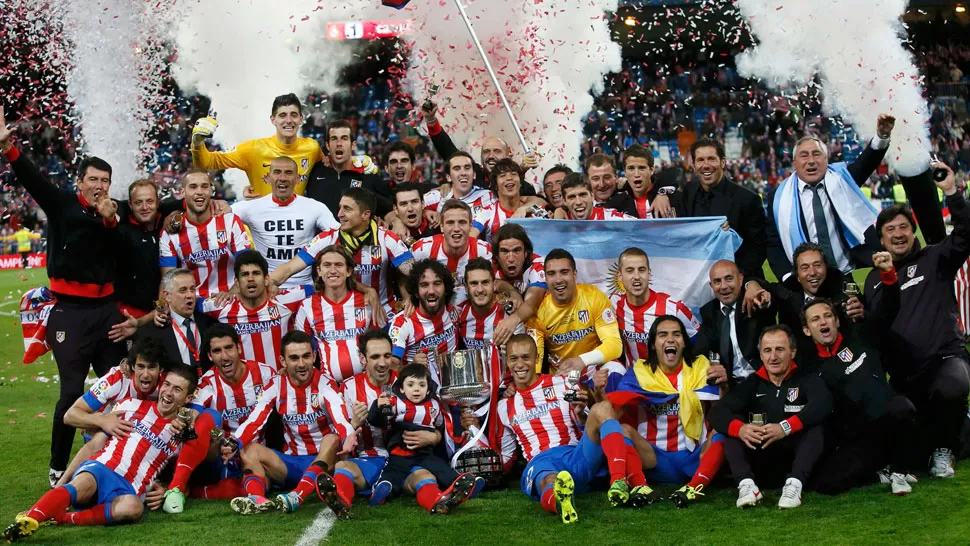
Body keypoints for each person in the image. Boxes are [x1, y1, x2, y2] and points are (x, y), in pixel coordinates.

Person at [0, 109, 129, 487]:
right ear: (80, 181)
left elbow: (122, 251)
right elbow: (32, 180)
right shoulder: (61, 205)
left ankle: (120, 456)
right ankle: (58, 467)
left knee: (119, 386)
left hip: (107, 313)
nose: (99, 186)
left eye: (105, 180)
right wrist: (8, 148)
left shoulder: (113, 215)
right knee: (72, 391)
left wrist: (110, 220)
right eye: (93, 179)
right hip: (69, 313)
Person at [2, 365, 198, 542]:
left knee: (134, 509)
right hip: (103, 467)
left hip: (130, 488)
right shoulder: (130, 405)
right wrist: (59, 485)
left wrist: (166, 491)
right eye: (167, 385)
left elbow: (186, 479)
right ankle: (29, 520)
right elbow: (95, 444)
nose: (168, 393)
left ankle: (62, 518)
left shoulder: (182, 435)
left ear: (188, 398)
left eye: (177, 389)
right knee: (84, 484)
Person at [864, 161, 970, 478]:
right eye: (890, 230)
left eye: (903, 228)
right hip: (904, 374)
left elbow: (965, 234)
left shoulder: (936, 257)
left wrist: (952, 192)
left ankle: (945, 450)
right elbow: (877, 327)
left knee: (952, 386)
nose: (898, 234)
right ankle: (953, 433)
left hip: (945, 358)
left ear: (914, 232)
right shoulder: (872, 280)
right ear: (881, 239)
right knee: (903, 427)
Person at [496, 334, 652, 524]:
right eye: (514, 358)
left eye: (526, 357)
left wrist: (580, 415)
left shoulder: (563, 383)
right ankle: (562, 504)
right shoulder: (504, 406)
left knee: (601, 408)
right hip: (542, 461)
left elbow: (588, 428)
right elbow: (507, 453)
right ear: (507, 362)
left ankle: (618, 481)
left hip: (575, 455)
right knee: (549, 480)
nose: (520, 364)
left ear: (536, 359)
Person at [802, 275, 920, 495]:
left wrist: (888, 276)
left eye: (828, 316)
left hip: (888, 419)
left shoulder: (861, 335)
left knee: (901, 406)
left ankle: (899, 471)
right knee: (827, 484)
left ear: (837, 321)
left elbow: (889, 309)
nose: (823, 322)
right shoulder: (812, 369)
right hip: (861, 437)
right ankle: (880, 467)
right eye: (815, 319)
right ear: (807, 330)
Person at [226, 331, 355, 515]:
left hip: (324, 463)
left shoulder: (326, 384)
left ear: (314, 357)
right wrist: (235, 443)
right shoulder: (275, 385)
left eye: (306, 356)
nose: (301, 364)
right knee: (249, 449)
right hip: (291, 463)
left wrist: (348, 437)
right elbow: (255, 419)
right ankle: (257, 500)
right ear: (283, 361)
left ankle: (297, 496)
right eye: (294, 358)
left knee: (332, 438)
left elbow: (340, 418)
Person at [605, 316, 725, 508]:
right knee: (622, 429)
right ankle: (640, 487)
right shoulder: (639, 373)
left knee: (722, 431)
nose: (670, 339)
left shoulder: (702, 368)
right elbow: (614, 410)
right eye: (663, 335)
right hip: (653, 459)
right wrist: (596, 396)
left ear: (684, 342)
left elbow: (724, 405)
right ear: (653, 345)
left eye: (676, 334)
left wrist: (725, 383)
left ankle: (693, 488)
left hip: (695, 458)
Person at [709, 325, 833, 509]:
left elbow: (823, 404)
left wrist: (785, 428)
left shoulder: (808, 379)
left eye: (779, 349)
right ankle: (746, 485)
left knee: (816, 428)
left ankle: (794, 486)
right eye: (767, 350)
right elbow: (717, 412)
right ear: (761, 356)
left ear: (792, 352)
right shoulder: (751, 384)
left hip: (797, 461)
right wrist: (741, 429)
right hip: (762, 461)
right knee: (731, 432)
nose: (773, 357)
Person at [161, 324, 278, 513]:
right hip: (221, 457)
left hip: (257, 452)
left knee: (261, 479)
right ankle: (178, 487)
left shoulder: (265, 374)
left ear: (239, 348)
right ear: (210, 356)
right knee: (210, 417)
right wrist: (183, 421)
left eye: (228, 348)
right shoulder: (208, 384)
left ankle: (198, 491)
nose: (224, 356)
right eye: (217, 351)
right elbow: (195, 412)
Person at [764, 115, 895, 280]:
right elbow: (773, 243)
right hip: (805, 279)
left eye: (816, 154)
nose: (811, 161)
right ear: (794, 163)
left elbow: (866, 163)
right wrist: (786, 276)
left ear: (826, 160)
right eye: (804, 155)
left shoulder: (842, 180)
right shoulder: (777, 198)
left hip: (844, 274)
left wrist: (882, 136)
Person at [271, 187, 411, 321]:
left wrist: (410, 296)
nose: (339, 214)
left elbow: (411, 271)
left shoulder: (386, 238)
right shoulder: (327, 239)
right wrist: (270, 282)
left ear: (365, 215)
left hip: (380, 313)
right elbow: (289, 267)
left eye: (347, 209)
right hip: (339, 316)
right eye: (340, 208)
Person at [55, 338, 168, 488]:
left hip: (140, 437)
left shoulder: (167, 386)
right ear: (132, 366)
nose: (145, 374)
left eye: (152, 367)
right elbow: (70, 415)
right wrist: (103, 421)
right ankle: (62, 484)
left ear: (160, 369)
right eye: (140, 367)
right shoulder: (117, 379)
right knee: (101, 437)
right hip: (107, 435)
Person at [365, 364, 477, 514]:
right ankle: (381, 490)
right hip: (401, 453)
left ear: (428, 389)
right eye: (411, 385)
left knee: (441, 468)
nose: (416, 389)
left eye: (421, 385)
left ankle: (462, 486)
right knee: (392, 474)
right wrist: (377, 408)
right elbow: (378, 421)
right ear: (402, 388)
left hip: (425, 454)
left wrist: (435, 435)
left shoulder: (435, 405)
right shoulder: (395, 402)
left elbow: (440, 426)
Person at [652, 138, 767, 279]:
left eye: (711, 159)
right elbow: (668, 174)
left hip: (734, 283)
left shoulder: (748, 199)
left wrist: (736, 276)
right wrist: (661, 193)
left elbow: (758, 248)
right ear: (693, 165)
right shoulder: (689, 190)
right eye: (700, 160)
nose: (706, 165)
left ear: (723, 162)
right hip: (697, 282)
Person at [320, 330, 404, 514]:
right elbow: (340, 434)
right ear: (362, 358)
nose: (382, 363)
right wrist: (354, 424)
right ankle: (341, 500)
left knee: (423, 476)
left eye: (387, 356)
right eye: (375, 357)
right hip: (368, 461)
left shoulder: (405, 384)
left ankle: (440, 499)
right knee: (343, 467)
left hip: (402, 461)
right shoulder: (348, 387)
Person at [230, 156, 338, 288]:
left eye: (288, 173)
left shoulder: (315, 207)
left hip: (305, 288)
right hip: (265, 287)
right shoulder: (251, 207)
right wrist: (219, 204)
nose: (282, 178)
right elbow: (216, 215)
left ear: (298, 179)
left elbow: (339, 234)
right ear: (268, 178)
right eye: (277, 172)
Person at [191, 93, 324, 196]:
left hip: (299, 228)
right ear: (273, 119)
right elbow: (206, 163)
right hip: (260, 229)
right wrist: (197, 142)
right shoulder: (254, 149)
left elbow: (330, 168)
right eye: (282, 115)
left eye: (293, 115)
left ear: (301, 119)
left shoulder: (312, 148)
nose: (288, 120)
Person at [199, 250, 311, 369]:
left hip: (280, 382)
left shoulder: (284, 300)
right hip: (244, 384)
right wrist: (227, 293)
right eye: (245, 274)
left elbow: (316, 289)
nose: (250, 278)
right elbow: (191, 303)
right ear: (237, 282)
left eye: (256, 273)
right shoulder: (223, 305)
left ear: (267, 279)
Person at [745, 243, 855, 362]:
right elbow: (760, 283)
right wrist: (751, 285)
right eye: (805, 268)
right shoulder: (789, 289)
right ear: (797, 276)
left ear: (826, 268)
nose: (812, 272)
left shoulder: (841, 285)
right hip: (803, 364)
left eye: (817, 265)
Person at [456, 258, 523, 450]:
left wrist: (517, 387)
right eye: (474, 283)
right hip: (473, 393)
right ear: (466, 287)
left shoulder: (510, 315)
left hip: (506, 391)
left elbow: (526, 358)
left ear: (494, 284)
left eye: (485, 282)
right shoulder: (458, 315)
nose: (480, 289)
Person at [527, 249, 623, 374]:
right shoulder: (538, 312)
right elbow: (536, 362)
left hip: (593, 370)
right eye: (551, 274)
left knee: (616, 369)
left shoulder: (594, 297)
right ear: (545, 278)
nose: (558, 280)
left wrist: (581, 361)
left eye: (564, 272)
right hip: (562, 378)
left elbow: (615, 345)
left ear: (575, 274)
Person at [159, 169, 252, 299]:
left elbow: (247, 266)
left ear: (211, 191)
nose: (199, 192)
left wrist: (231, 293)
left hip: (230, 300)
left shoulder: (230, 221)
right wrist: (162, 309)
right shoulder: (170, 233)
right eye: (193, 187)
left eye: (204, 186)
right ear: (182, 192)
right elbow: (168, 281)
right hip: (192, 305)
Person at [294, 245, 376, 382]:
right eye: (327, 265)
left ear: (349, 271)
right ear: (319, 271)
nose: (333, 270)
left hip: (365, 384)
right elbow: (300, 349)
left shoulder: (366, 302)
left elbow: (380, 343)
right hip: (329, 386)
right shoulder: (307, 306)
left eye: (338, 265)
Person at [421, 101, 537, 195]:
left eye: (497, 151)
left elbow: (521, 196)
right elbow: (447, 149)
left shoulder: (526, 188)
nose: (491, 156)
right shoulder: (472, 174)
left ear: (509, 156)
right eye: (486, 152)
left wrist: (520, 173)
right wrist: (431, 120)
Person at [610, 247, 700, 366]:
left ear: (649, 273)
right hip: (634, 378)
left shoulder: (674, 308)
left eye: (641, 270)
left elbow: (699, 343)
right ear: (620, 276)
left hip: (668, 379)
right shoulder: (613, 303)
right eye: (630, 270)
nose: (636, 276)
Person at [694, 260, 776, 384]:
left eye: (729, 279)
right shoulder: (709, 311)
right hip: (732, 385)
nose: (723, 286)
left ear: (741, 279)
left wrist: (762, 297)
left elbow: (771, 303)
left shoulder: (752, 300)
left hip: (765, 379)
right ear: (711, 286)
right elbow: (702, 349)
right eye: (717, 281)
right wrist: (714, 363)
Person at [411, 199, 493, 306]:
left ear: (470, 226)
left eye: (462, 222)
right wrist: (408, 298)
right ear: (441, 227)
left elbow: (497, 283)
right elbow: (404, 278)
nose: (456, 228)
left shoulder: (484, 251)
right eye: (450, 223)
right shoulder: (422, 249)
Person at [389, 259, 459, 382]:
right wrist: (412, 367)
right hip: (418, 390)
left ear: (446, 288)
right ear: (416, 292)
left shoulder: (455, 309)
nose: (431, 291)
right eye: (424, 285)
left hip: (453, 384)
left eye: (437, 283)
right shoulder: (402, 323)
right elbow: (392, 366)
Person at [304, 121, 391, 218]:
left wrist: (394, 220)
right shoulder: (314, 172)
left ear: (353, 145)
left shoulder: (367, 175)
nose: (339, 143)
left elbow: (389, 209)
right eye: (334, 139)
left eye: (344, 138)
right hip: (320, 233)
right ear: (328, 146)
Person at [134, 269, 209, 373]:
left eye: (192, 289)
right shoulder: (152, 331)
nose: (190, 295)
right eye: (183, 290)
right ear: (167, 296)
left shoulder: (208, 322)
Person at [491, 223, 548, 346]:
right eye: (505, 251)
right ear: (496, 255)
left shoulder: (538, 264)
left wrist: (513, 320)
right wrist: (511, 291)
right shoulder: (490, 267)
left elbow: (532, 303)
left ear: (526, 253)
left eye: (517, 250)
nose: (511, 258)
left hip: (538, 328)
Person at [470, 158, 547, 242]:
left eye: (513, 174)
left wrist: (522, 209)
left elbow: (542, 202)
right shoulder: (487, 213)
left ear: (520, 183)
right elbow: (469, 239)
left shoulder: (533, 208)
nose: (509, 178)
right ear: (495, 185)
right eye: (502, 175)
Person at [423, 152, 497, 216]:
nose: (463, 173)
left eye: (467, 168)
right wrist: (425, 213)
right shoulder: (434, 198)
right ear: (448, 177)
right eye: (457, 169)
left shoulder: (489, 198)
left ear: (474, 175)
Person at [555, 174, 636, 221]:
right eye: (571, 197)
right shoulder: (557, 224)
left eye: (583, 195)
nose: (578, 202)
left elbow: (641, 229)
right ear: (564, 201)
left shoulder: (611, 219)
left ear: (592, 196)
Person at [621, 143, 668, 219]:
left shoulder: (669, 198)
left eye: (641, 168)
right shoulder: (617, 204)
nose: (636, 174)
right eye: (631, 168)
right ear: (625, 172)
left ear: (651, 170)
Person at [584, 153, 639, 217]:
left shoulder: (631, 196)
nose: (602, 184)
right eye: (596, 179)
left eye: (607, 177)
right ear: (587, 181)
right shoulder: (579, 204)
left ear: (616, 177)